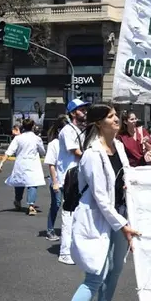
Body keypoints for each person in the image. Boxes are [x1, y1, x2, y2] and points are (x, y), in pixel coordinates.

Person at [58, 104, 141, 301]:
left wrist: (129, 187)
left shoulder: (119, 148)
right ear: (98, 123)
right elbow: (101, 198)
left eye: (117, 116)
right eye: (111, 116)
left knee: (115, 270)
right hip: (99, 219)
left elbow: (125, 178)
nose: (117, 119)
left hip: (119, 217)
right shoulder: (93, 154)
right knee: (94, 276)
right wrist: (124, 226)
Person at [56, 98, 91, 265]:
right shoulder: (68, 131)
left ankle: (75, 248)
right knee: (69, 215)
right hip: (70, 176)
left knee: (80, 214)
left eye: (85, 108)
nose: (84, 111)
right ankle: (64, 252)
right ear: (72, 113)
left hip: (80, 176)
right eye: (81, 109)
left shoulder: (82, 129)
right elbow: (76, 151)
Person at [0, 118, 46, 216]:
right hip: (33, 165)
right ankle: (31, 206)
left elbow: (9, 151)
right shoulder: (37, 138)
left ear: (23, 126)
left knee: (20, 183)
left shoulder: (18, 138)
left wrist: (1, 163)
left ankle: (18, 200)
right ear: (32, 127)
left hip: (21, 164)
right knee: (32, 184)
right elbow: (42, 152)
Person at [44, 115, 69, 241]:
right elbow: (51, 164)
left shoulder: (72, 143)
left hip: (70, 181)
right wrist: (55, 182)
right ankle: (50, 230)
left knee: (71, 207)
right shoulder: (54, 144)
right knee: (56, 205)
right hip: (58, 181)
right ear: (60, 131)